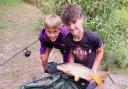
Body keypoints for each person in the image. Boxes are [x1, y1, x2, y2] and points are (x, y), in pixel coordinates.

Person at [61, 4, 104, 89]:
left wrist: (94, 69)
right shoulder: (66, 39)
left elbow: (100, 51)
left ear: (81, 19)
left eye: (74, 22)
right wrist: (71, 66)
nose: (72, 27)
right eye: (68, 24)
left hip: (89, 71)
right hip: (76, 73)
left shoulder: (93, 37)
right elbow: (71, 53)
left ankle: (97, 81)